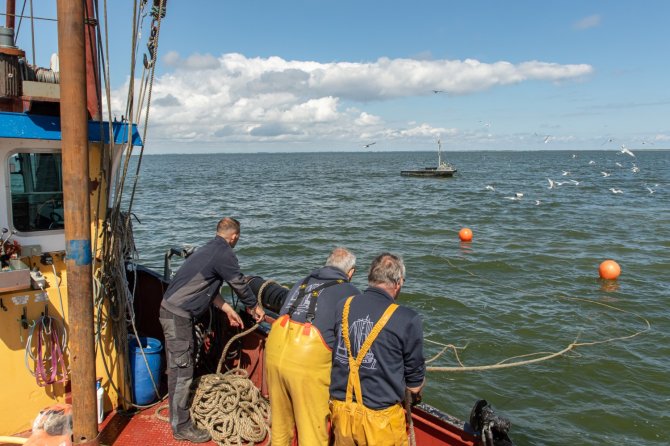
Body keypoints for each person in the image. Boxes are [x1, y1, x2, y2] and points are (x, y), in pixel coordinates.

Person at [159, 217, 265, 443]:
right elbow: (238, 283)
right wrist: (254, 306)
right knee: (182, 370)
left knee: (180, 367)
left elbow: (210, 289)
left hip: (173, 312)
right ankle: (181, 427)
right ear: (234, 236)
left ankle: (179, 417)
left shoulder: (210, 249)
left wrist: (227, 310)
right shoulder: (225, 253)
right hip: (178, 316)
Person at [265, 247, 360, 445]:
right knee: (312, 431)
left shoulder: (302, 281)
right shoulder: (350, 291)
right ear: (351, 272)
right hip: (305, 361)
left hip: (275, 350)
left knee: (280, 426)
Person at [329, 253, 425, 446]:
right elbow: (414, 386)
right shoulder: (407, 318)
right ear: (398, 282)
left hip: (341, 413)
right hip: (381, 423)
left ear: (370, 278)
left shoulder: (343, 306)